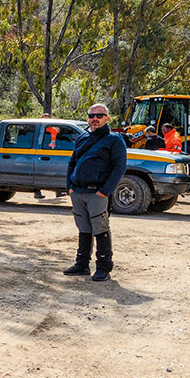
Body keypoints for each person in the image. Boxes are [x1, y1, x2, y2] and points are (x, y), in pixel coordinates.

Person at [63, 103, 127, 282]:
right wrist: (70, 187)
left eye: (99, 116)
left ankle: (103, 267)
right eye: (91, 116)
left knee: (100, 229)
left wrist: (105, 191)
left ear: (107, 118)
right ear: (87, 118)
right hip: (78, 191)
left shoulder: (114, 140)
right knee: (83, 229)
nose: (95, 119)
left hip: (97, 193)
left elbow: (119, 167)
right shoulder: (82, 138)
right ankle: (82, 264)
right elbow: (72, 162)